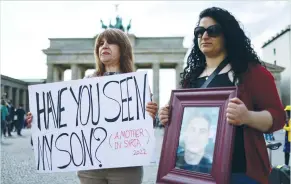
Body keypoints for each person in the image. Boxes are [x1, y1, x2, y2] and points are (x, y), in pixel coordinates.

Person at [158, 7, 285, 184]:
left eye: (213, 31)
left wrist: (247, 117)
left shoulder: (252, 73)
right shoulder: (190, 79)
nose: (205, 36)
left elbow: (279, 118)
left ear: (228, 35)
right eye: (199, 32)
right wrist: (168, 116)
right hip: (196, 171)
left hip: (240, 173)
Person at [26, 28, 158, 184]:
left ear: (123, 48)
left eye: (111, 42)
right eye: (101, 44)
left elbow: (145, 129)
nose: (105, 46)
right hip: (91, 167)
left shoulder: (138, 84)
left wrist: (151, 116)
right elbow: (69, 118)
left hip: (126, 165)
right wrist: (40, 122)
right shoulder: (86, 82)